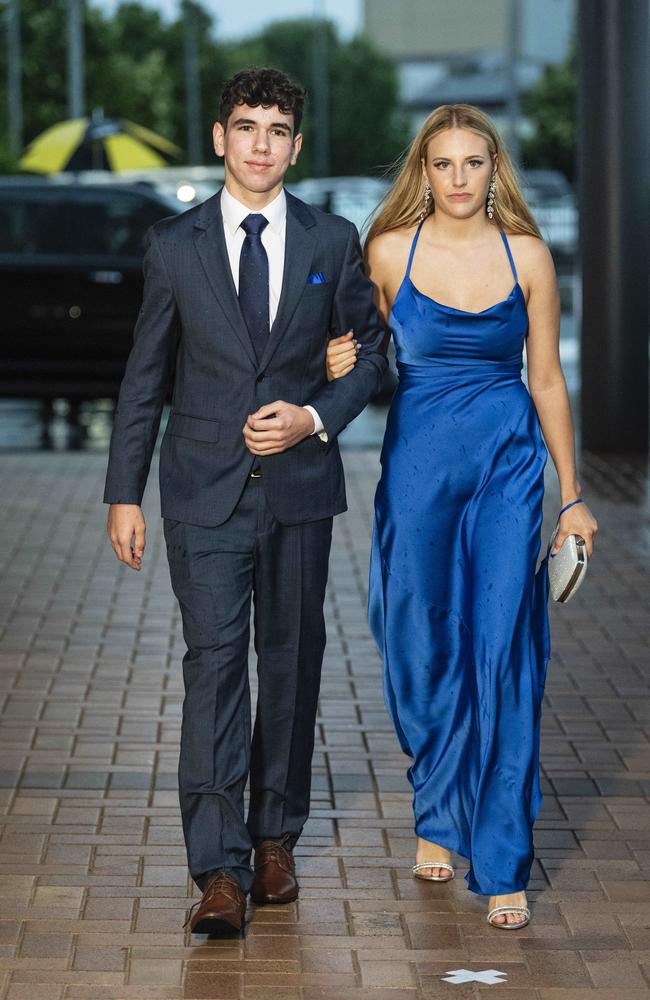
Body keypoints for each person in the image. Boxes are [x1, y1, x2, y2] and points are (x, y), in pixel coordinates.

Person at [103, 67, 387, 934]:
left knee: (293, 668)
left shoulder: (333, 240)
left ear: (295, 146)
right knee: (215, 668)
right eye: (246, 126)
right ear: (220, 139)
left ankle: (274, 842)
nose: (260, 143)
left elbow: (371, 355)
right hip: (202, 493)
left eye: (276, 129)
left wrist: (313, 415)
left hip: (300, 493)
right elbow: (144, 376)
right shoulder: (173, 244)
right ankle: (217, 870)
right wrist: (125, 493)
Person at [326, 103, 597, 929]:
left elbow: (546, 379)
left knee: (504, 648)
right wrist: (341, 356)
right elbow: (364, 365)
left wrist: (574, 495)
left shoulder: (529, 258)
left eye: (472, 163)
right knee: (415, 637)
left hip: (508, 466)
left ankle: (502, 855)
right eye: (441, 164)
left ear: (494, 169)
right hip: (417, 470)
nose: (456, 178)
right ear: (423, 170)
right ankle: (438, 805)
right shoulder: (387, 252)